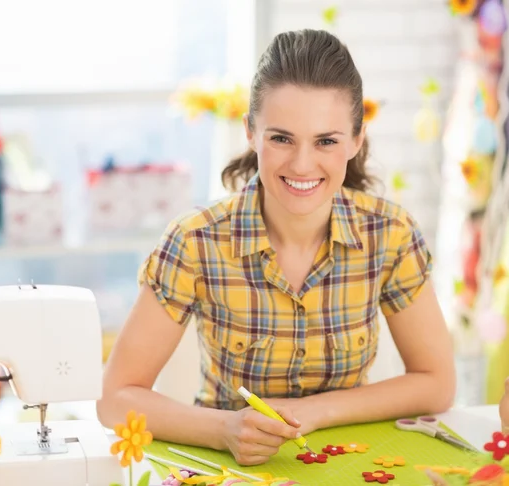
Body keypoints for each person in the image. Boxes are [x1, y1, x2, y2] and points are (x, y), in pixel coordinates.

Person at [96, 28, 456, 466]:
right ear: (250, 132)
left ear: (356, 141)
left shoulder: (391, 234)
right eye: (281, 138)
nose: (302, 164)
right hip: (226, 466)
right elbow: (114, 399)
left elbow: (436, 382)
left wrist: (314, 412)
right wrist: (224, 429)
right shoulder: (194, 241)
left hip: (353, 462)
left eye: (326, 141)